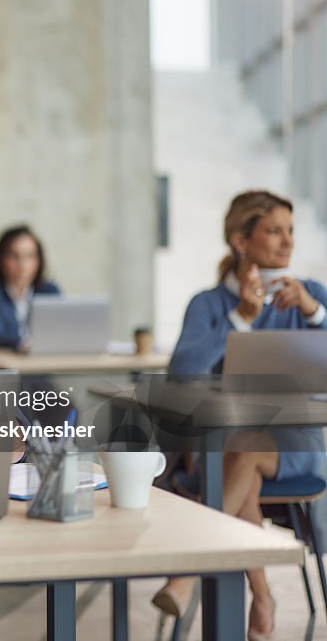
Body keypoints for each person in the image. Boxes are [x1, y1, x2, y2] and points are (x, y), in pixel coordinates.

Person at [153, 190, 327, 641]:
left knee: (239, 456)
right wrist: (241, 320)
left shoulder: (311, 297)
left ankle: (187, 574)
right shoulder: (209, 305)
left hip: (291, 444)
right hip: (218, 444)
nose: (287, 242)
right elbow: (183, 372)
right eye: (273, 231)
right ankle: (262, 595)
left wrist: (314, 313)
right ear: (240, 240)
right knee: (237, 459)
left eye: (290, 231)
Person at [0, 225, 59, 351]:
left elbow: (59, 331)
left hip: (45, 362)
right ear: (1, 259)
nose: (22, 265)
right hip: (5, 364)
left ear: (39, 260)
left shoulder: (49, 291)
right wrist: (23, 344)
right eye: (14, 256)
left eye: (30, 256)